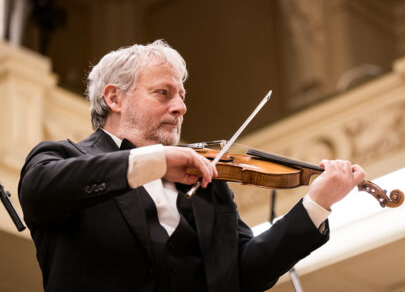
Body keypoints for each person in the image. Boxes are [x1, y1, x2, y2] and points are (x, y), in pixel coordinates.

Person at [18, 40, 365, 292]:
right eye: (164, 93)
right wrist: (155, 162)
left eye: (182, 96)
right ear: (114, 98)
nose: (181, 107)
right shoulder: (63, 159)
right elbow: (40, 190)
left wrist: (316, 205)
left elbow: (244, 271)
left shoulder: (208, 185)